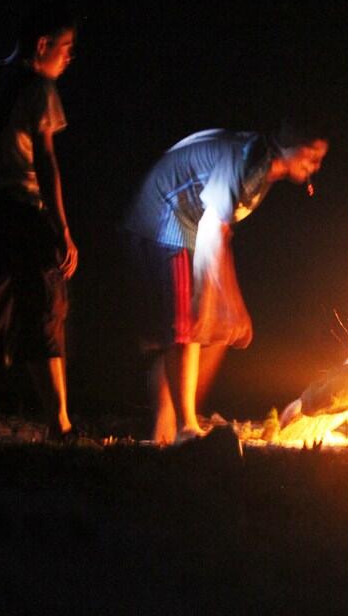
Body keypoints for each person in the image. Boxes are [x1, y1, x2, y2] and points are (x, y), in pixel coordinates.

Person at [122, 124, 328, 444]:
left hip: (188, 226)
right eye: (312, 155)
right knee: (187, 329)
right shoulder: (248, 162)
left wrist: (229, 305)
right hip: (167, 220)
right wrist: (216, 300)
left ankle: (166, 428)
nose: (316, 165)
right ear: (288, 143)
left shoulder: (263, 166)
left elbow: (221, 231)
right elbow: (209, 229)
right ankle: (185, 426)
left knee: (218, 333)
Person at [0, 4, 79, 442]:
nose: (68, 58)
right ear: (42, 45)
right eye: (65, 48)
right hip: (24, 211)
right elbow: (46, 160)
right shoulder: (38, 88)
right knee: (45, 309)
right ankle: (58, 422)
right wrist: (61, 229)